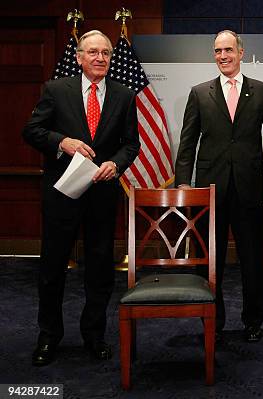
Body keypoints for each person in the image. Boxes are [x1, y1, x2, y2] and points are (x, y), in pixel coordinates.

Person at [23, 30, 140, 366]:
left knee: (100, 268)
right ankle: (48, 336)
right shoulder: (56, 90)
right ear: (79, 57)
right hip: (62, 193)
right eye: (92, 52)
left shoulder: (124, 95)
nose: (100, 58)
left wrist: (114, 164)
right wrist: (63, 142)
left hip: (102, 195)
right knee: (52, 268)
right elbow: (32, 130)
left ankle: (94, 335)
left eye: (105, 52)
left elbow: (131, 144)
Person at [174, 30, 263, 343]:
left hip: (249, 187)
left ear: (241, 52)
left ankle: (253, 321)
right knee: (209, 259)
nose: (223, 56)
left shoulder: (262, 91)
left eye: (228, 50)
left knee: (252, 258)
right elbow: (187, 144)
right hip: (209, 190)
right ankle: (214, 318)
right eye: (217, 51)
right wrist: (184, 184)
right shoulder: (199, 93)